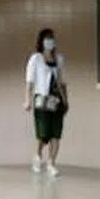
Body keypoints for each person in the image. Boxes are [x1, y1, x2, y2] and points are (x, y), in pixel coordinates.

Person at [23, 28, 68, 178]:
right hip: (41, 100)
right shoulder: (35, 59)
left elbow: (61, 81)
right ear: (42, 41)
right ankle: (38, 155)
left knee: (56, 133)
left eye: (52, 38)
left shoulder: (59, 59)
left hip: (56, 100)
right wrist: (27, 100)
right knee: (43, 134)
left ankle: (51, 163)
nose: (50, 41)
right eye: (47, 38)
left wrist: (65, 100)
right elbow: (30, 82)